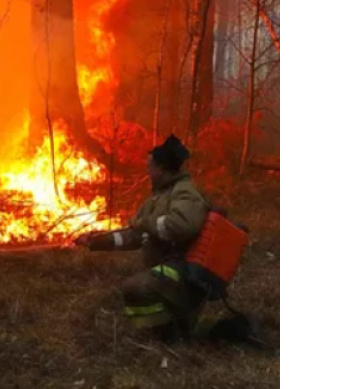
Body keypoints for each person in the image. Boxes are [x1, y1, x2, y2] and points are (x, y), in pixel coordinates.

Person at [76, 135, 252, 343]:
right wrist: (97, 242)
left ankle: (169, 338)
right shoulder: (158, 197)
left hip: (184, 272)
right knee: (190, 331)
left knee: (136, 287)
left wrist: (147, 223)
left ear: (160, 168)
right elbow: (135, 235)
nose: (146, 170)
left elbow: (182, 226)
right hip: (169, 269)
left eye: (149, 165)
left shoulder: (185, 191)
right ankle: (173, 334)